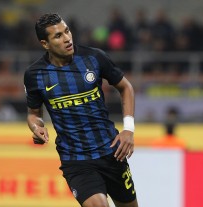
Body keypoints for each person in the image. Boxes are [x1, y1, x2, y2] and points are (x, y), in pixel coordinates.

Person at [24, 13, 138, 207]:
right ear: (45, 44)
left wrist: (128, 128)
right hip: (75, 160)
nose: (67, 38)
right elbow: (34, 114)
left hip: (111, 152)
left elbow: (125, 87)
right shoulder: (35, 75)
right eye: (58, 36)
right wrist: (36, 127)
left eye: (67, 31)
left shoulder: (94, 58)